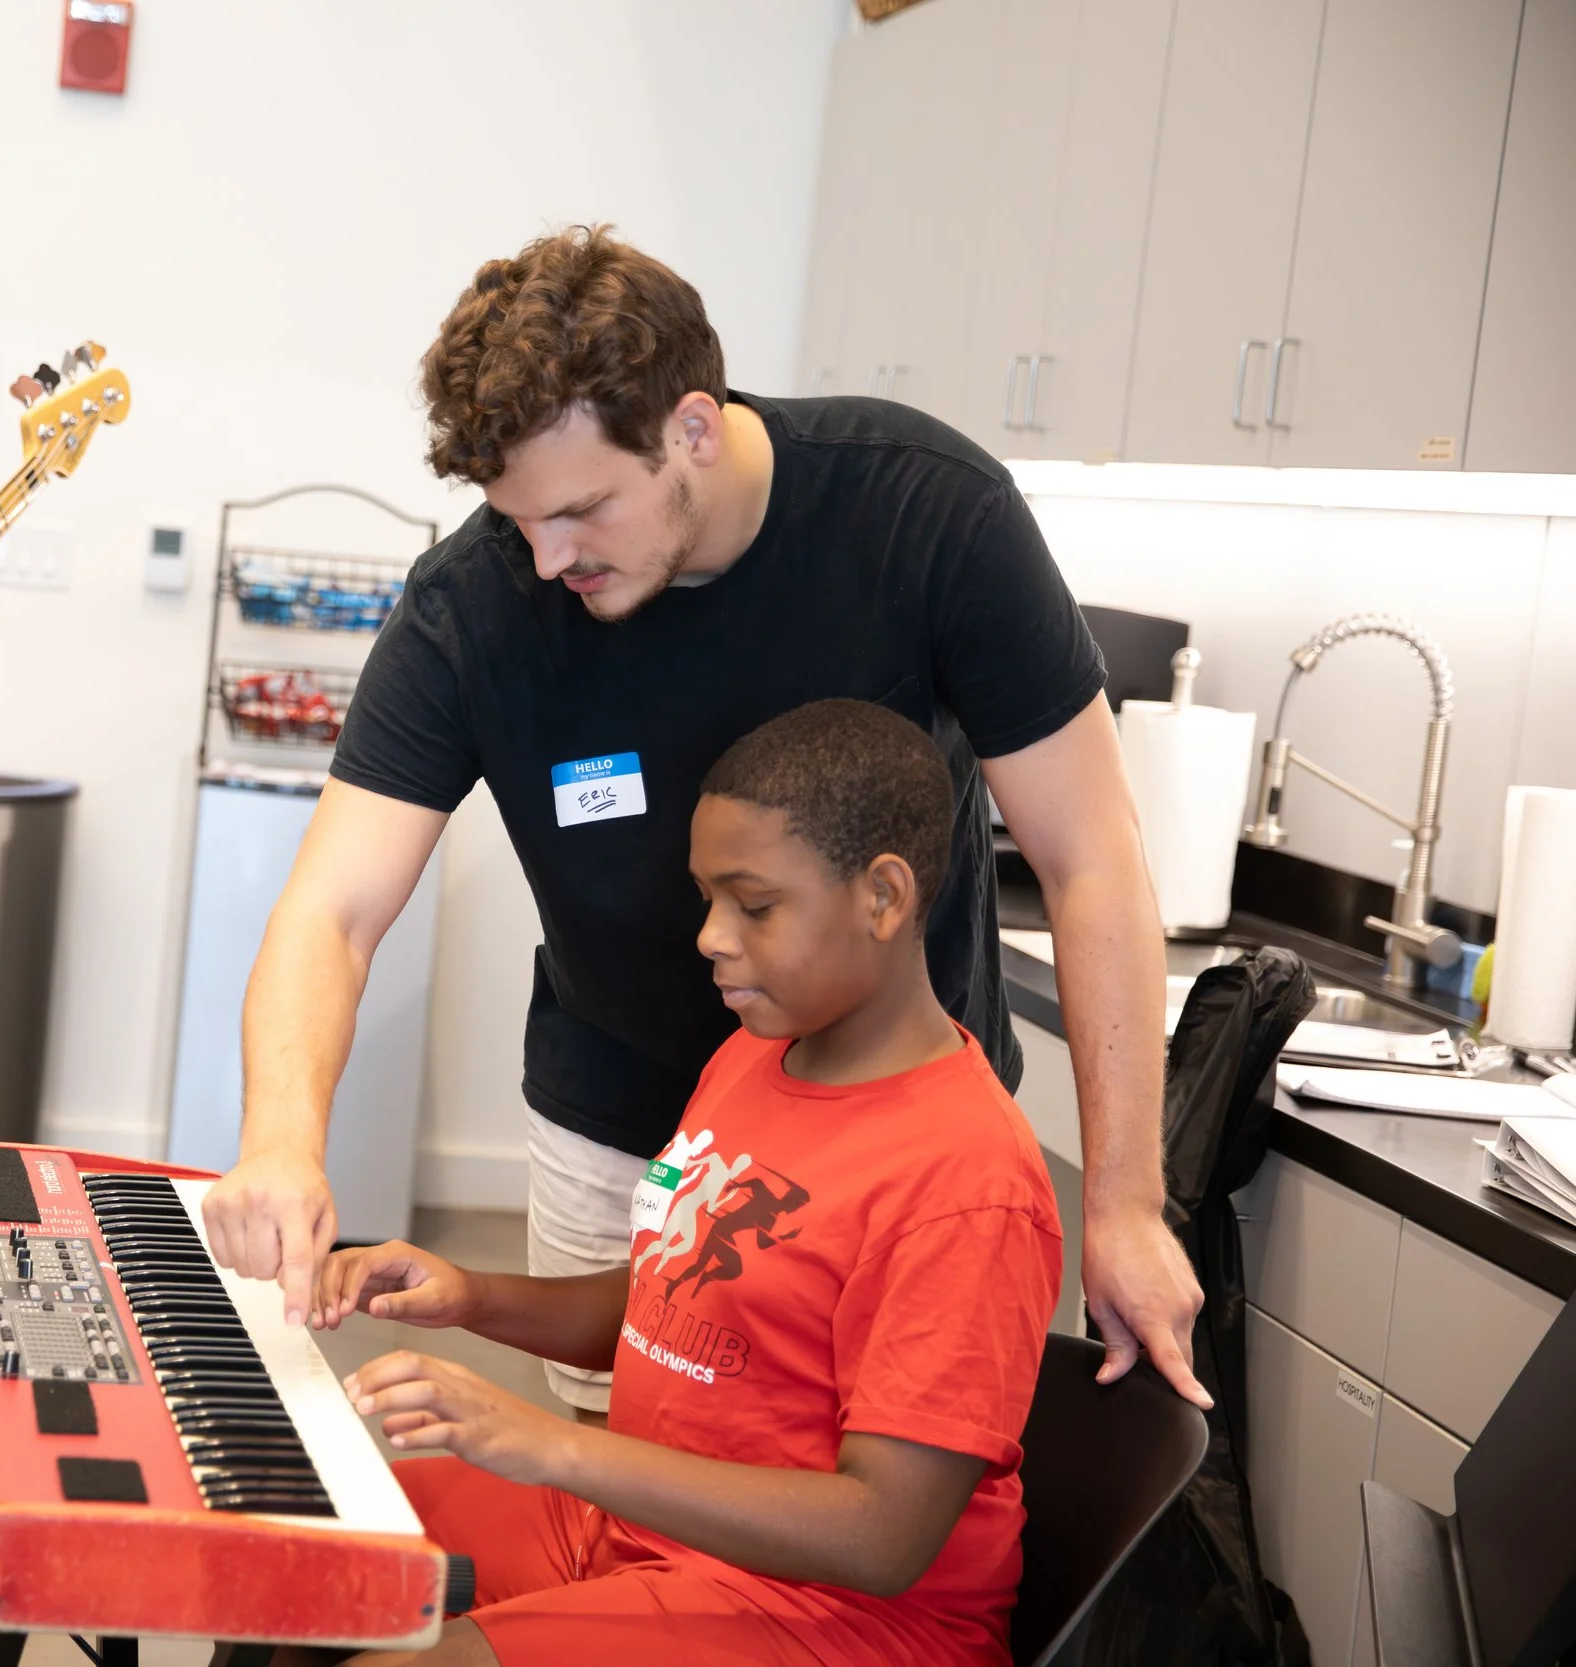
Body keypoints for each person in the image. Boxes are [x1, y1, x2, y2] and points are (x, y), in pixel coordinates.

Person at [203, 225, 1206, 1411]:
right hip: (623, 1132)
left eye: (579, 511)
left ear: (689, 425)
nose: (542, 560)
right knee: (623, 1524)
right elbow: (333, 908)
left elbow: (1091, 855)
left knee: (864, 1518)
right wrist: (278, 1137)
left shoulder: (925, 513)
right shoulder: (475, 604)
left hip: (899, 1152)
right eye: (514, 518)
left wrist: (1126, 1202)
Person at [307, 700, 1062, 1666]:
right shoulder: (754, 1058)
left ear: (884, 896)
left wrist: (552, 1444)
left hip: (835, 1621)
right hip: (650, 1540)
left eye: (752, 904)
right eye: (705, 897)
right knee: (305, 1552)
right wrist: (470, 1296)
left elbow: (884, 1533)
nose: (709, 935)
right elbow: (667, 1304)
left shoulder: (966, 1177)